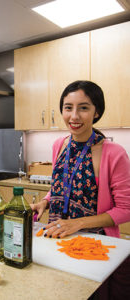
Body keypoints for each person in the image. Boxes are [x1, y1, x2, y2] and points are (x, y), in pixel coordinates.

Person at [31, 80, 130, 299]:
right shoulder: (60, 144)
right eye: (68, 107)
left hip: (94, 248)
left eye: (83, 107)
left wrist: (78, 223)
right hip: (57, 239)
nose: (74, 116)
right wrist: (45, 202)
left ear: (97, 112)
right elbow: (62, 185)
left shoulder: (114, 153)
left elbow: (126, 209)